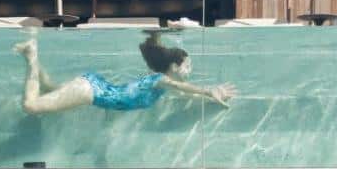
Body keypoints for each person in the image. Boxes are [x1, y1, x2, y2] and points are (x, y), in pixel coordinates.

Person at [14, 31, 236, 115]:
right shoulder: (160, 80)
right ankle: (32, 53)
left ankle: (30, 57)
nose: (191, 71)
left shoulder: (160, 85)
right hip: (90, 91)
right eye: (188, 65)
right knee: (31, 106)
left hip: (93, 87)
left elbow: (186, 94)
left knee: (50, 88)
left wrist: (212, 99)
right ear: (174, 67)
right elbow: (183, 87)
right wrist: (210, 90)